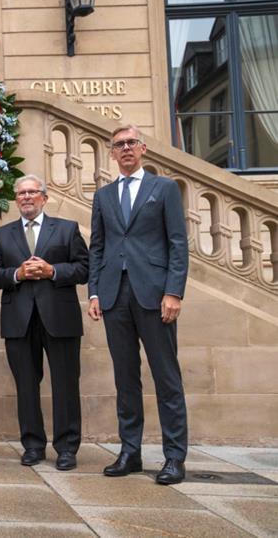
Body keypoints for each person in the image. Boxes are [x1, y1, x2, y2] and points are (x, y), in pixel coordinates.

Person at [88, 124, 189, 485]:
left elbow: (178, 243)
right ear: (112, 153)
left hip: (155, 295)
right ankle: (130, 451)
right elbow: (97, 248)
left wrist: (174, 291)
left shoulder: (163, 188)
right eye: (119, 145)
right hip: (115, 296)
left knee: (166, 378)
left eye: (131, 143)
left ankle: (174, 457)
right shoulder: (103, 196)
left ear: (143, 149)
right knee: (125, 378)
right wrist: (95, 293)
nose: (126, 149)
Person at [0, 174, 88, 471]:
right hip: (19, 320)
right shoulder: (2, 235)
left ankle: (67, 448)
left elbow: (84, 268)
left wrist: (52, 270)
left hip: (60, 318)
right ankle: (32, 445)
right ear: (16, 200)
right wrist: (17, 274)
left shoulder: (67, 230)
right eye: (21, 193)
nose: (27, 197)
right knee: (26, 385)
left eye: (32, 192)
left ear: (44, 197)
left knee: (66, 385)